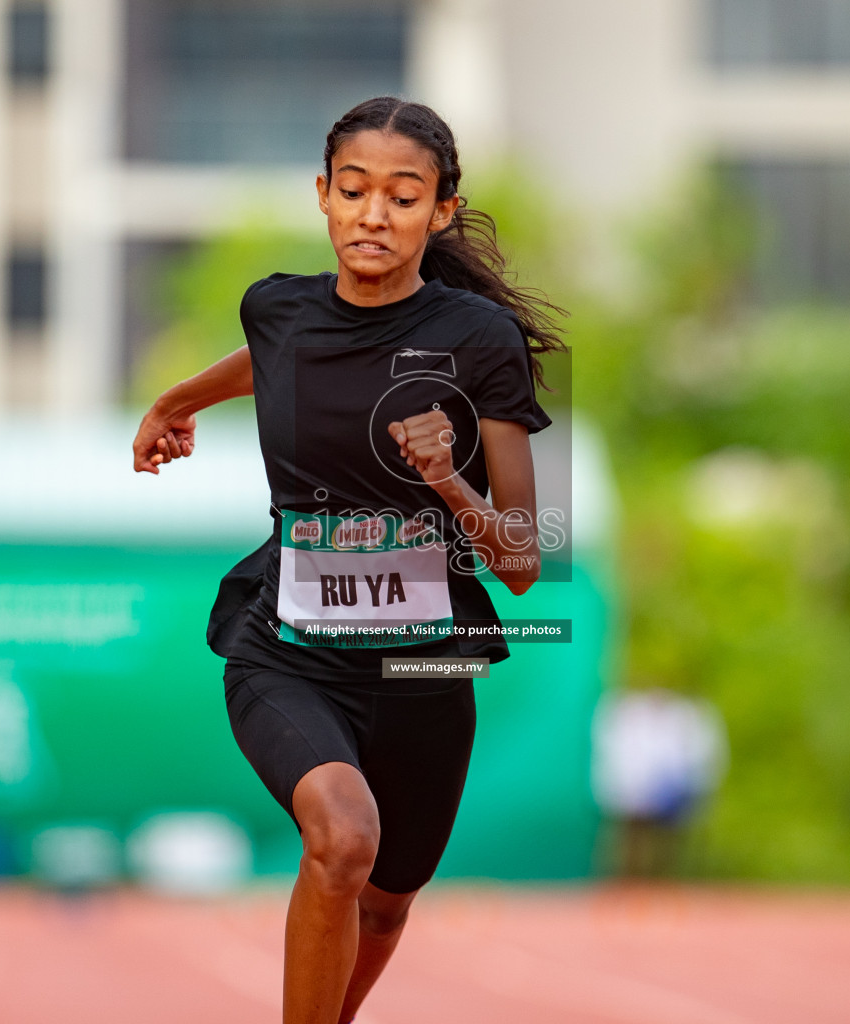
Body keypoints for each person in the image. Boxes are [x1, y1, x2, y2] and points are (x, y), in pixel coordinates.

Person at [132, 97, 563, 1024]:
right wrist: (176, 401)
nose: (375, 215)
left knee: (386, 899)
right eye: (356, 191)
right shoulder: (276, 308)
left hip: (421, 668)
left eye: (402, 197)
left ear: (440, 211)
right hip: (288, 652)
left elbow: (524, 563)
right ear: (324, 197)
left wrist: (450, 480)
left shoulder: (479, 343)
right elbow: (267, 354)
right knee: (341, 835)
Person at [591, 688, 726, 879]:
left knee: (665, 838)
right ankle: (628, 879)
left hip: (667, 791)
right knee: (631, 836)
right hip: (632, 789)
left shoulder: (683, 716)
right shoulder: (625, 715)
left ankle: (660, 879)